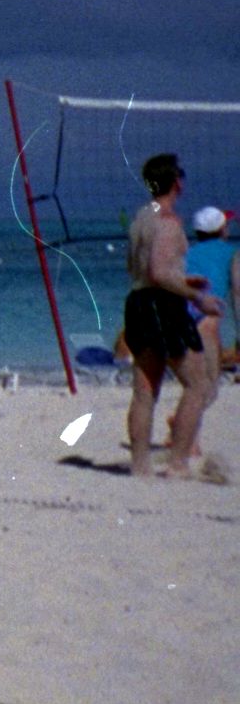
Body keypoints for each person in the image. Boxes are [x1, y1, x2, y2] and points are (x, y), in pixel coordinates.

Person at [122, 157, 218, 478]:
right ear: (176, 182)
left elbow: (140, 270)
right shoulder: (167, 221)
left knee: (145, 390)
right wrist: (197, 298)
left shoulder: (141, 218)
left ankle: (140, 465)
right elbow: (159, 272)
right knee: (198, 385)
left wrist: (183, 280)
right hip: (163, 305)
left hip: (139, 301)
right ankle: (178, 464)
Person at [187, 206, 231, 384]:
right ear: (222, 230)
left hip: (185, 306)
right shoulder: (230, 252)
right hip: (209, 308)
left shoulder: (187, 253)